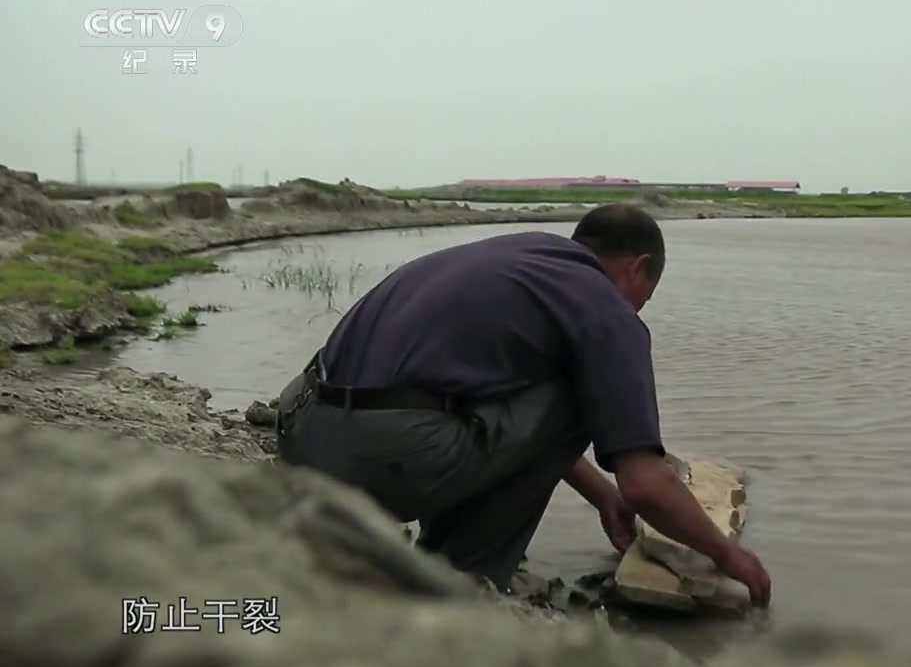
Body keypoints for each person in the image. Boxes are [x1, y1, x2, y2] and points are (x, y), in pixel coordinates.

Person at [273, 204, 771, 607]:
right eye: (646, 294)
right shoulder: (606, 310)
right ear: (637, 267)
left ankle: (410, 552)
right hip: (381, 460)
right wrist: (728, 555)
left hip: (299, 434)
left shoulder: (516, 259)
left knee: (506, 395)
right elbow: (644, 484)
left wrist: (601, 496)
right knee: (582, 390)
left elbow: (518, 424)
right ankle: (459, 574)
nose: (638, 307)